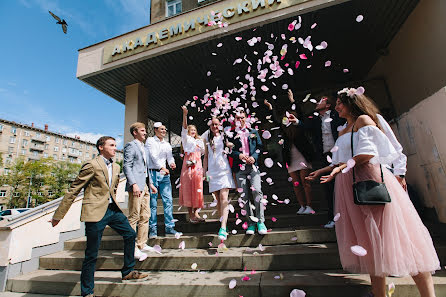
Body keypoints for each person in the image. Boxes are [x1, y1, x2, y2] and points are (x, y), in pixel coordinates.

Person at [307, 88, 439, 297]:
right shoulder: (343, 130)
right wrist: (324, 170)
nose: (337, 107)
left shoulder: (363, 120)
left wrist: (339, 170)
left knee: (399, 237)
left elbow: (368, 153)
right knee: (371, 243)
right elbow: (341, 160)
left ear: (351, 103)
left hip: (369, 180)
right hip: (350, 187)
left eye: (340, 103)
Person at [51, 136, 149, 297]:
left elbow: (113, 188)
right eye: (111, 145)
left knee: (131, 234)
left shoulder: (116, 167)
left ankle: (128, 271)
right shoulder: (92, 165)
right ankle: (87, 292)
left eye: (115, 145)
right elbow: (74, 189)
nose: (115, 148)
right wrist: (59, 215)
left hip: (112, 210)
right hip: (95, 212)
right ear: (100, 147)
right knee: (92, 253)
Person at [288, 90, 345, 227]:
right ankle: (332, 218)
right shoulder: (315, 119)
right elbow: (303, 123)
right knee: (328, 188)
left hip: (341, 155)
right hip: (325, 157)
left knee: (343, 186)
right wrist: (295, 116)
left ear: (328, 105)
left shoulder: (338, 116)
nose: (317, 102)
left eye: (321, 100)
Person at [264, 98, 315, 215]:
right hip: (291, 158)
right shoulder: (285, 130)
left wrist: (293, 101)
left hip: (303, 157)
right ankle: (302, 205)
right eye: (287, 117)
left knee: (305, 182)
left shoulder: (300, 127)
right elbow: (276, 121)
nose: (289, 118)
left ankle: (310, 206)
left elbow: (301, 115)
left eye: (291, 116)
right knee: (296, 184)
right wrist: (270, 108)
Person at [229, 109, 268, 235]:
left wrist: (254, 157)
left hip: (253, 167)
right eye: (237, 117)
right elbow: (230, 150)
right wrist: (239, 155)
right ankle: (251, 222)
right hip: (240, 168)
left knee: (257, 191)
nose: (239, 119)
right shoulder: (231, 133)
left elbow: (259, 148)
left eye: (242, 117)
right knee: (244, 196)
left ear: (246, 118)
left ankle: (261, 221)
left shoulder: (253, 132)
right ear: (235, 120)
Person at [123, 122, 158, 260]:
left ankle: (142, 244)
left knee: (145, 215)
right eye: (142, 131)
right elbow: (127, 166)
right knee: (134, 216)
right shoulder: (131, 146)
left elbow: (146, 168)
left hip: (145, 185)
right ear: (135, 132)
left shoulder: (144, 148)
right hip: (136, 186)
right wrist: (134, 184)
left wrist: (151, 184)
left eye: (145, 131)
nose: (145, 133)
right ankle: (132, 248)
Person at [146, 122, 182, 238]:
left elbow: (169, 156)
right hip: (153, 172)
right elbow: (152, 156)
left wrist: (172, 163)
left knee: (168, 201)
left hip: (164, 174)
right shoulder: (150, 141)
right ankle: (152, 229)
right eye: (162, 129)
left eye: (165, 129)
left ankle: (170, 227)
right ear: (155, 130)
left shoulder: (167, 144)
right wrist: (161, 167)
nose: (164, 131)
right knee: (153, 202)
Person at [202, 116, 236, 240]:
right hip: (212, 171)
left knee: (223, 197)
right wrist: (204, 172)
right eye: (213, 125)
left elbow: (232, 147)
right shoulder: (207, 138)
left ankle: (222, 227)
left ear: (220, 125)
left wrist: (230, 145)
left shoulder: (225, 136)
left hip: (224, 170)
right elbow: (205, 156)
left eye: (217, 124)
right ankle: (223, 223)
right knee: (217, 199)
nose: (215, 127)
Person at [179, 106, 205, 223]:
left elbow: (203, 153)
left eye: (194, 130)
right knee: (189, 188)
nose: (193, 132)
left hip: (198, 165)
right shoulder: (186, 139)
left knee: (198, 188)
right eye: (191, 130)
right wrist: (185, 114)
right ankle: (191, 215)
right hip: (188, 165)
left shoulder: (199, 140)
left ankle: (196, 213)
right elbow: (184, 127)